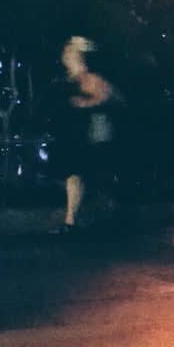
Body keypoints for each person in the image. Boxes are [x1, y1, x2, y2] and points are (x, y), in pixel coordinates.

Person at [49, 35, 121, 235]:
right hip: (79, 135)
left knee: (86, 177)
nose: (66, 56)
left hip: (92, 135)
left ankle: (76, 221)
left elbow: (108, 96)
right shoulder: (69, 79)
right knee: (78, 176)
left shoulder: (88, 78)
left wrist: (84, 103)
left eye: (70, 53)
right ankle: (76, 220)